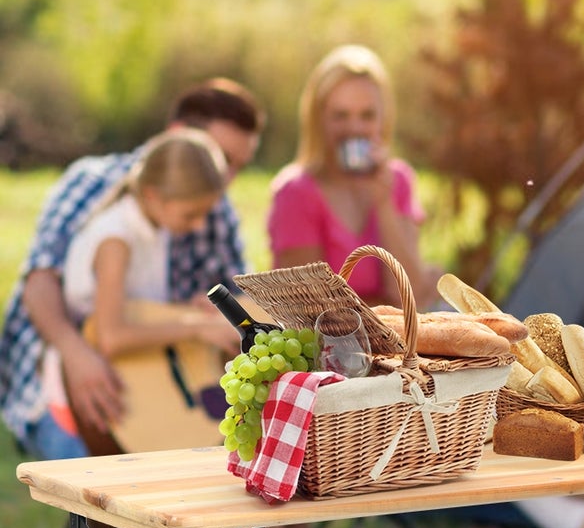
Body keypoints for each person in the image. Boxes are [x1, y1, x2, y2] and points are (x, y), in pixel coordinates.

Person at [1, 78, 262, 463]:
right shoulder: (114, 222)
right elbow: (66, 301)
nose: (225, 179)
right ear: (179, 140)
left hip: (149, 371)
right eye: (218, 156)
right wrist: (193, 325)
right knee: (126, 480)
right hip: (75, 375)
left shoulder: (182, 206)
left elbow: (239, 291)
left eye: (237, 166)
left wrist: (209, 310)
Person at [37, 130, 239, 452]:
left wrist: (184, 312)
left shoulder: (151, 223)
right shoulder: (116, 241)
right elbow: (111, 336)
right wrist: (196, 328)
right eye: (191, 214)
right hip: (87, 394)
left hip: (137, 376)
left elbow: (138, 306)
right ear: (153, 195)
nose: (200, 226)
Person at [268, 44, 443, 307]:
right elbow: (309, 307)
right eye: (340, 115)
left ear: (383, 118)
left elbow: (409, 298)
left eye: (367, 115)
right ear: (319, 119)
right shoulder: (296, 192)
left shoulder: (398, 181)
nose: (355, 128)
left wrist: (385, 205)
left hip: (394, 343)